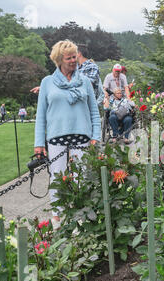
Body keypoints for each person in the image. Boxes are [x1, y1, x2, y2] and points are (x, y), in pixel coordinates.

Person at [34, 40, 101, 224]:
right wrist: (39, 144)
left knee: (83, 177)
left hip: (82, 136)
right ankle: (57, 219)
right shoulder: (47, 83)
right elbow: (41, 116)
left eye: (74, 56)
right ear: (59, 60)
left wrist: (96, 137)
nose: (73, 60)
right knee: (57, 178)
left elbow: (94, 112)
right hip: (56, 137)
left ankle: (82, 217)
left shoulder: (85, 81)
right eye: (69, 57)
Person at [30, 44, 105, 108]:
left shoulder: (91, 67)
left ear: (78, 54)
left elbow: (86, 87)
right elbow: (59, 82)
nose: (71, 59)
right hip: (70, 103)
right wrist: (46, 88)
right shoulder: (74, 68)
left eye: (73, 55)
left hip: (85, 105)